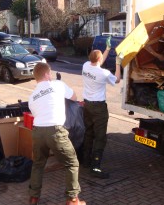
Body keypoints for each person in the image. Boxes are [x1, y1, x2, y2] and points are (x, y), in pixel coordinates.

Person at [28, 63, 86, 205]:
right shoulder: (58, 85)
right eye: (50, 73)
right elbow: (74, 97)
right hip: (56, 131)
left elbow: (37, 114)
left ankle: (33, 198)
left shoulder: (32, 96)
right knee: (71, 163)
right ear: (47, 74)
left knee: (38, 164)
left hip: (38, 132)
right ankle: (73, 200)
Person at [81, 36, 122, 178]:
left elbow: (98, 62)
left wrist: (107, 49)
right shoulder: (103, 73)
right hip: (99, 108)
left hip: (87, 106)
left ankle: (85, 161)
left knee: (89, 132)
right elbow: (117, 79)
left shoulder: (86, 66)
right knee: (100, 137)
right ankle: (96, 167)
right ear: (98, 60)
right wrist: (118, 63)